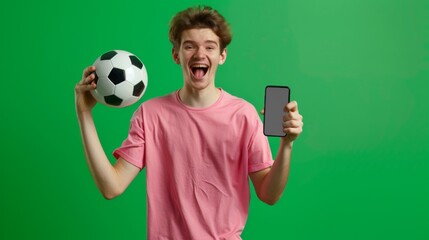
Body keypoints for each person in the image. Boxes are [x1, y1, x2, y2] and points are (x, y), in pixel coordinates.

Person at [75, 5, 303, 240]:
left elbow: (269, 194)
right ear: (176, 55)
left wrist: (287, 144)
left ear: (222, 56)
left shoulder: (243, 115)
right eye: (189, 46)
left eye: (210, 47)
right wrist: (84, 113)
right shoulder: (151, 114)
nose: (199, 54)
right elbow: (111, 187)